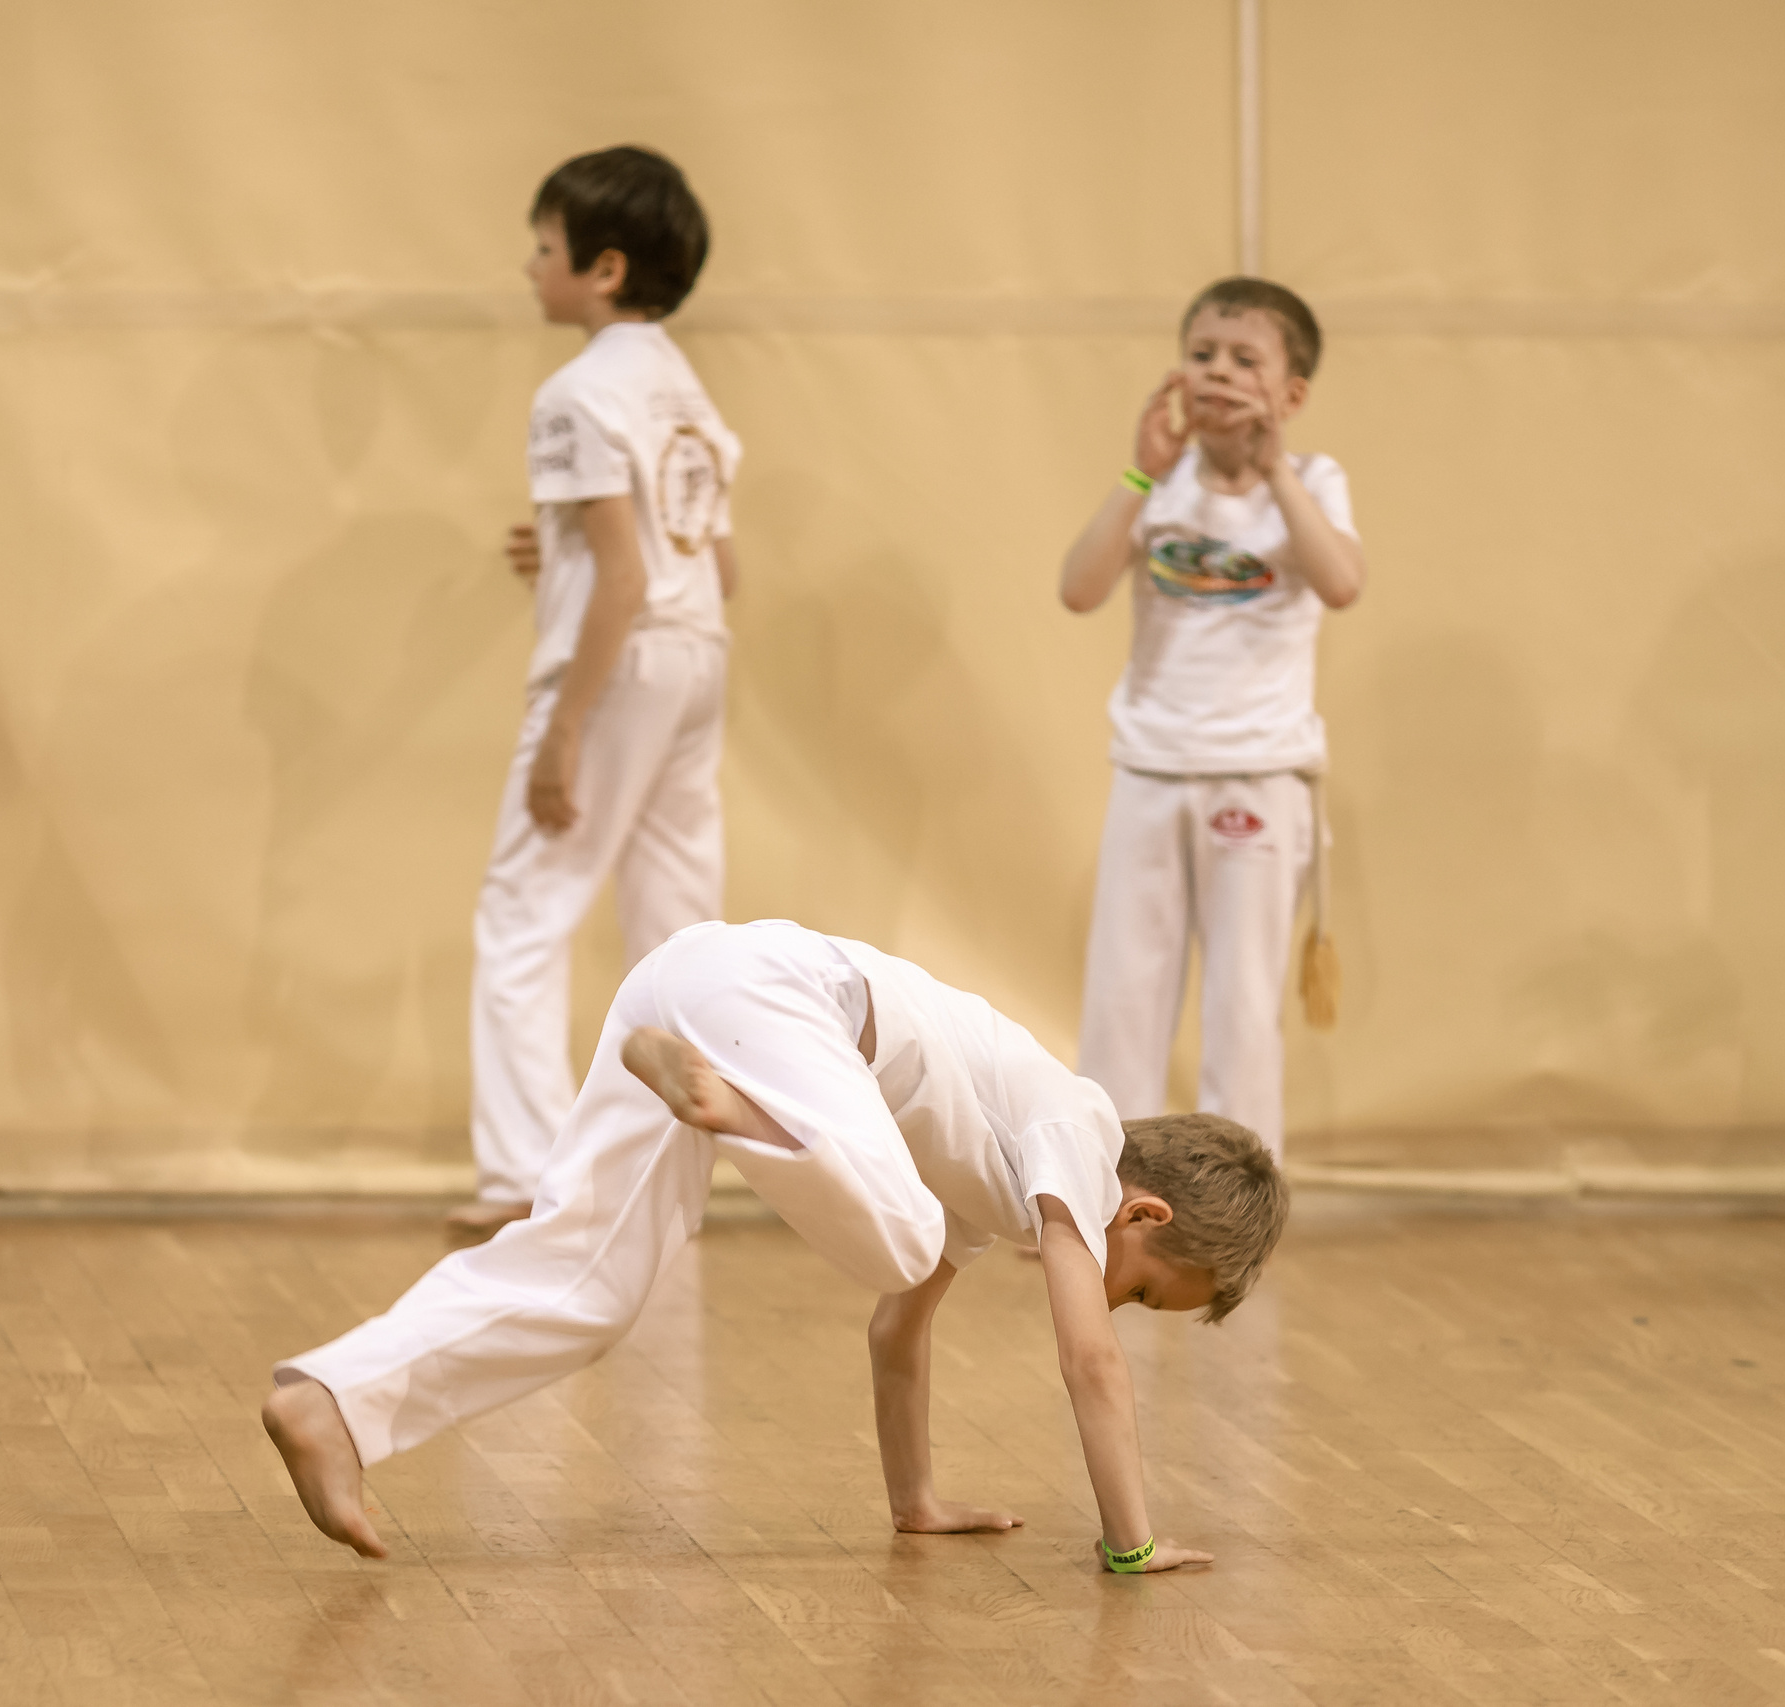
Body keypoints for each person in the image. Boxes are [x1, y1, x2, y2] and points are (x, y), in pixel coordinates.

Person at [266, 919, 1287, 1572]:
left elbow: (896, 1336)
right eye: (1147, 1294)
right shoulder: (1079, 1136)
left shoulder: (999, 1187)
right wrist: (1129, 1544)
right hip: (774, 1002)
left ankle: (330, 1403)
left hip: (683, 986)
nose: (1117, 1309)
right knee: (900, 1236)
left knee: (591, 1284)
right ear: (1141, 1215)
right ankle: (728, 1106)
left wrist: (915, 1501)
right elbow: (1087, 1362)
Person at [456, 147, 744, 1236]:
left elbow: (623, 578)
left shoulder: (575, 394)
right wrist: (573, 550)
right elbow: (710, 565)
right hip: (697, 657)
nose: (531, 267)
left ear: (605, 268)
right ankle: (663, 1175)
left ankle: (527, 1179)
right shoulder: (684, 390)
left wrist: (564, 729)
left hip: (619, 665)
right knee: (675, 924)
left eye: (544, 248)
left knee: (525, 914)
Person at [1056, 278, 1365, 1159]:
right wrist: (1138, 472)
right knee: (1124, 995)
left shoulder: (1312, 482)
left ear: (1292, 393)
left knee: (1240, 1007)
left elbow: (1341, 581)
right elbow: (1078, 589)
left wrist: (1273, 472)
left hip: (1259, 778)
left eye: (1244, 359)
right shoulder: (1157, 483)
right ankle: (1096, 1190)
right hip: (1153, 768)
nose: (1218, 373)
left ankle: (1236, 1211)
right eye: (1201, 355)